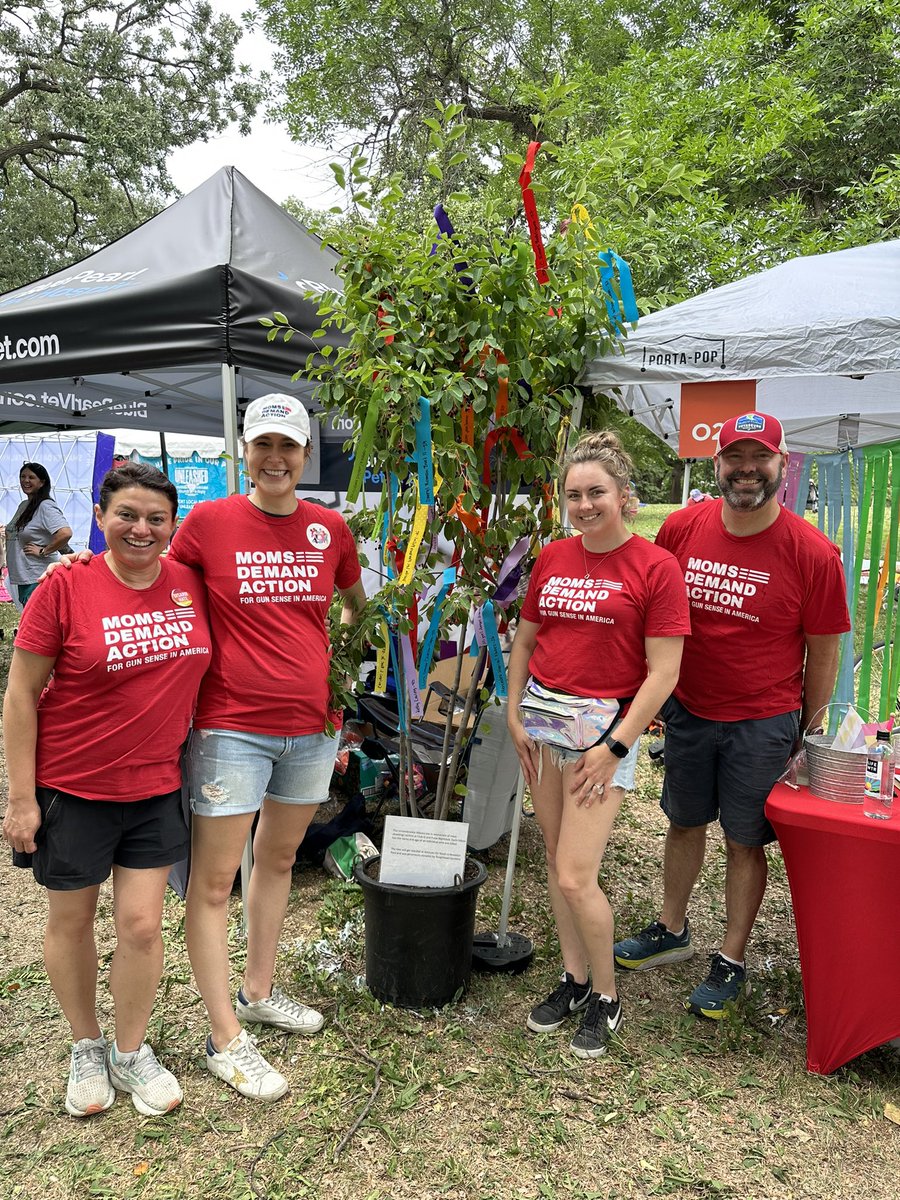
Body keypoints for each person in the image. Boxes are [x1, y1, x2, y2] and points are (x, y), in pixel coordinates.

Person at [613, 412, 851, 1018]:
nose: (747, 471)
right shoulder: (681, 529)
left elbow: (823, 650)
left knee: (745, 842)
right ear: (715, 464)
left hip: (764, 720)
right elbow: (653, 614)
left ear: (781, 462)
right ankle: (671, 928)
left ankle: (732, 956)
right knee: (683, 822)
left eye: (760, 459)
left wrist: (811, 731)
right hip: (690, 710)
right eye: (735, 459)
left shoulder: (813, 553)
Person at [170, 394, 366, 1102]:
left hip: (312, 725)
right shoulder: (208, 523)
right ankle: (225, 1037)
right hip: (230, 727)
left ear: (305, 455)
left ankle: (256, 991)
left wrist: (336, 664)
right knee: (215, 882)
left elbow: (353, 603)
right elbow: (169, 596)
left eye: (288, 446)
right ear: (244, 454)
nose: (276, 458)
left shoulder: (328, 528)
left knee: (280, 859)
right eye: (264, 446)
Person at [1, 463, 212, 1117]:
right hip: (74, 787)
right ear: (99, 517)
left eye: (156, 518)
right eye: (126, 514)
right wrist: (20, 798)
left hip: (154, 787)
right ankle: (85, 1045)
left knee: (144, 927)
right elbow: (19, 695)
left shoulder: (191, 583)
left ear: (172, 526)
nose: (141, 528)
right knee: (72, 922)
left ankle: (129, 1051)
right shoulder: (66, 587)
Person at [507, 431, 690, 1059]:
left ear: (625, 497)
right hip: (544, 727)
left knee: (575, 874)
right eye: (574, 495)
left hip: (602, 735)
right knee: (558, 864)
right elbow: (526, 643)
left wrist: (615, 748)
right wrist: (510, 713)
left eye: (597, 493)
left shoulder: (654, 568)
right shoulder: (554, 558)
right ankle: (575, 979)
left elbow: (664, 672)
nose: (585, 505)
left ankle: (608, 999)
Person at [3, 463, 73, 609]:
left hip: (38, 575)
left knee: (40, 623)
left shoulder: (45, 506)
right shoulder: (24, 505)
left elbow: (65, 533)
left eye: (31, 477)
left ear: (42, 482)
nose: (26, 481)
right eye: (23, 476)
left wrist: (43, 551)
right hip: (24, 575)